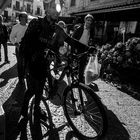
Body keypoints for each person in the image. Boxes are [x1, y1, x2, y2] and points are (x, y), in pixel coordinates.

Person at [72, 14, 95, 83]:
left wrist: (91, 45)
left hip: (85, 48)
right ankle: (74, 73)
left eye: (90, 21)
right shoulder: (79, 28)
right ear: (85, 20)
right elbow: (73, 37)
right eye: (88, 20)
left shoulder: (91, 30)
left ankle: (80, 78)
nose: (89, 22)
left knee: (82, 63)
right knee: (76, 62)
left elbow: (92, 39)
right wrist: (73, 47)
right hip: (78, 47)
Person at [10, 12, 28, 84]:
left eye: (26, 17)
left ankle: (24, 75)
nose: (25, 18)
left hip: (27, 48)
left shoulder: (28, 26)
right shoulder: (15, 27)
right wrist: (15, 44)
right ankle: (21, 78)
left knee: (26, 63)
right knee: (20, 63)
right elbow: (11, 37)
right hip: (19, 47)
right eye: (23, 17)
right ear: (20, 18)